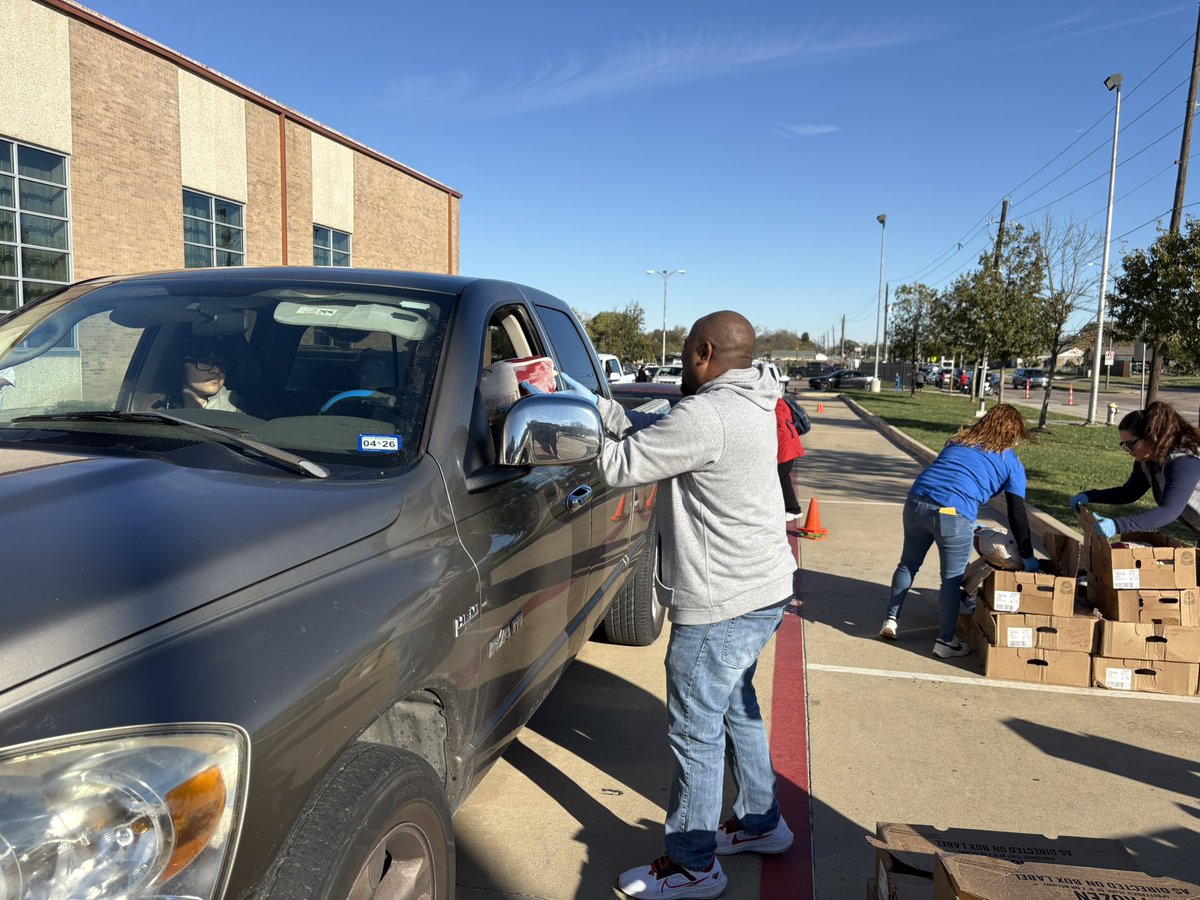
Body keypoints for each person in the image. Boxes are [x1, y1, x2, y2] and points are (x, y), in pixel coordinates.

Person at [566, 311, 795, 899]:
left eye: (689, 351)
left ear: (703, 351)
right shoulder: (752, 399)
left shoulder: (707, 415)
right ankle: (760, 823)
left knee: (695, 727)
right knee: (735, 706)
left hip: (721, 600)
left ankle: (694, 865)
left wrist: (562, 430)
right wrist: (586, 399)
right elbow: (654, 425)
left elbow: (621, 464)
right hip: (764, 588)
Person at [881, 403, 1038, 657]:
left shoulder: (957, 439)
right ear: (1014, 433)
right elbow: (1017, 513)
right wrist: (1027, 554)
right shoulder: (1011, 463)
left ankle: (891, 619)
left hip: (916, 502)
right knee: (951, 580)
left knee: (908, 565)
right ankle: (945, 641)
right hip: (953, 514)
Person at [1070, 401, 1200, 541]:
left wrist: (1117, 525)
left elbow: (1169, 511)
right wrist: (1089, 496)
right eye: (1124, 446)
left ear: (1151, 437)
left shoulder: (1184, 462)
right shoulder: (1147, 460)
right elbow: (1130, 492)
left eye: (1130, 445)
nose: (1128, 451)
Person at [144, 338, 242, 412]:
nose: (216, 370)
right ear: (179, 364)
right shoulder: (155, 405)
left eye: (221, 364)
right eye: (205, 362)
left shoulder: (236, 407)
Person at [776, 396, 805, 524]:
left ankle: (794, 509)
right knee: (782, 476)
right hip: (790, 443)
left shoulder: (774, 405)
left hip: (785, 446)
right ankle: (788, 507)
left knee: (781, 477)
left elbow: (778, 426)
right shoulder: (781, 402)